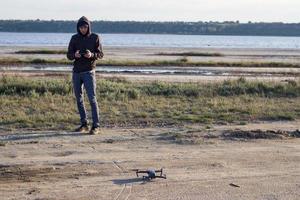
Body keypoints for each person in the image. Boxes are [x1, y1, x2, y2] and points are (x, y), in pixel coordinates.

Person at [67, 16, 104, 135]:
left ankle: (96, 126)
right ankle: (84, 124)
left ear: (88, 27)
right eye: (81, 27)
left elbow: (101, 54)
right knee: (79, 99)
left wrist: (92, 55)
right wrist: (75, 55)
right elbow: (69, 55)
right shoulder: (74, 38)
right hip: (77, 72)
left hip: (89, 72)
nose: (83, 29)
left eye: (85, 27)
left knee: (92, 99)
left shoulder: (95, 37)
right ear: (78, 27)